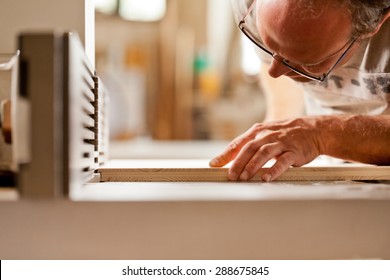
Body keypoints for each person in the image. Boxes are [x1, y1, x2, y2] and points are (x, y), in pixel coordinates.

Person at [209, 0, 390, 182]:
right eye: (268, 42)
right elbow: (278, 76)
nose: (275, 72)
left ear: (377, 24)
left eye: (308, 63)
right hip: (334, 167)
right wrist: (276, 134)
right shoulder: (249, 6)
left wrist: (321, 135)